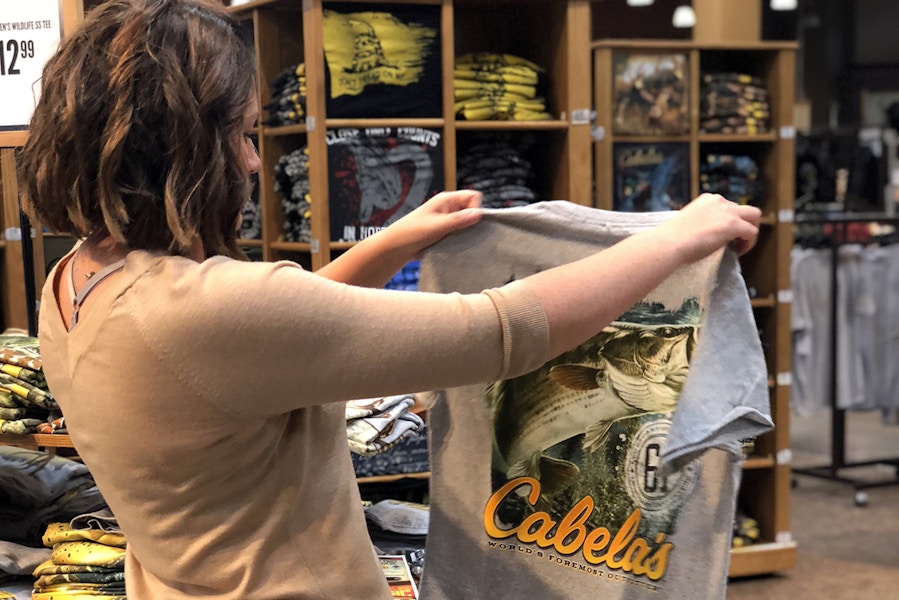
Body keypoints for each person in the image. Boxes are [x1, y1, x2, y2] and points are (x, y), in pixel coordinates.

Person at [17, 0, 761, 598]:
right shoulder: (204, 307)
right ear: (182, 145)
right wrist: (675, 239)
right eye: (242, 136)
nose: (251, 159)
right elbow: (505, 329)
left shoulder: (74, 284)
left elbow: (258, 347)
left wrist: (393, 241)